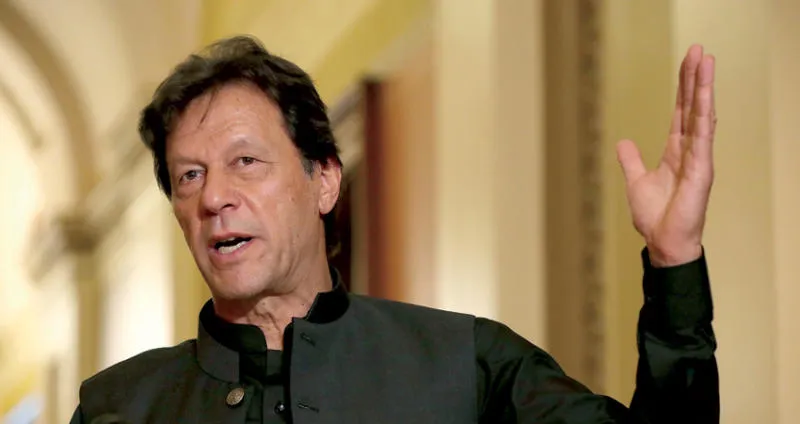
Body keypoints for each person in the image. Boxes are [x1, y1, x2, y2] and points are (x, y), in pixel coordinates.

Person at [69, 35, 719, 423]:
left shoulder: (465, 365)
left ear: (325, 180)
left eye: (245, 162)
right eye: (189, 176)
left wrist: (675, 262)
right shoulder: (118, 406)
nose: (214, 197)